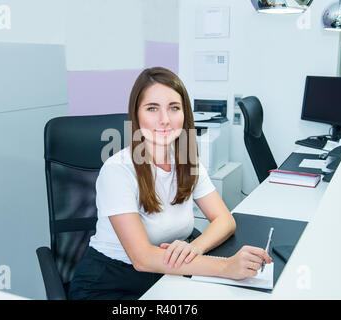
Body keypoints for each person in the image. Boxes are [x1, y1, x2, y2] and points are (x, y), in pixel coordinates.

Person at [68, 67, 272, 300]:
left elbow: (225, 220)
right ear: (136, 115)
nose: (164, 120)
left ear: (185, 113)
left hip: (166, 274)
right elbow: (142, 258)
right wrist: (226, 267)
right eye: (152, 108)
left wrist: (194, 248)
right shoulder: (118, 170)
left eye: (174, 108)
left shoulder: (187, 161)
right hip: (110, 283)